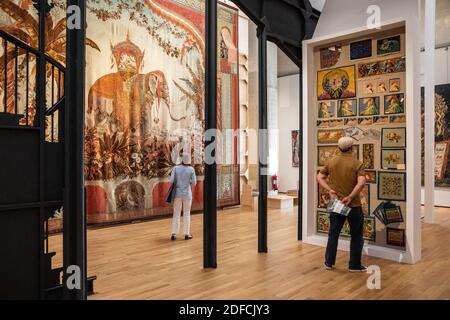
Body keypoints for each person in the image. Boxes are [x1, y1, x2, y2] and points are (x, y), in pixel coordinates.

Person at [317, 137, 367, 272]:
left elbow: (319, 177)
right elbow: (361, 183)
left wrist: (329, 190)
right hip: (354, 205)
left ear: (339, 148)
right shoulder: (357, 163)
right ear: (352, 148)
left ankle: (328, 262)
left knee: (333, 233)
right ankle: (354, 265)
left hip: (336, 203)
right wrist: (350, 197)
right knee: (356, 235)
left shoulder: (331, 162)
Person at [170, 154, 197, 241]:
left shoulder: (175, 168)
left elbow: (171, 181)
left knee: (176, 213)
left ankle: (174, 234)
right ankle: (186, 234)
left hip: (177, 193)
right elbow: (194, 183)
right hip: (187, 194)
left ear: (181, 160)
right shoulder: (191, 169)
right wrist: (187, 182)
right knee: (186, 213)